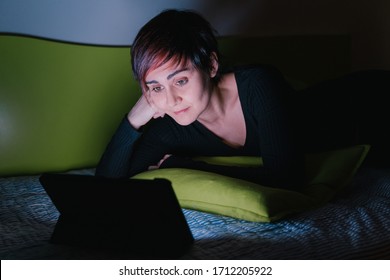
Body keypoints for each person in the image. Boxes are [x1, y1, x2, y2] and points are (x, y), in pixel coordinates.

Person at [95, 9, 390, 190]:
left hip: (367, 106)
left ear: (211, 66)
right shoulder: (173, 122)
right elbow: (108, 182)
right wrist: (134, 118)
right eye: (155, 86)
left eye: (180, 80)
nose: (171, 99)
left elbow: (287, 178)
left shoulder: (258, 84)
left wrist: (188, 167)